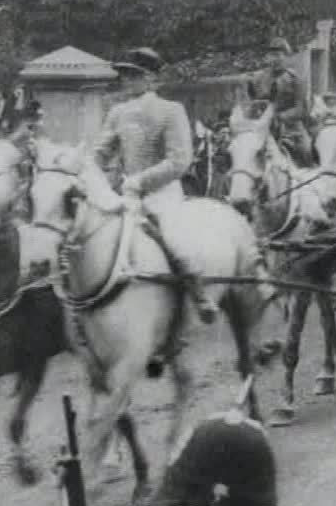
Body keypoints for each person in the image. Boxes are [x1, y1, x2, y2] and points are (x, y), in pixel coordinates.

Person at [91, 47, 219, 323]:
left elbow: (179, 160)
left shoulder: (171, 111)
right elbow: (102, 152)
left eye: (133, 75)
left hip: (162, 192)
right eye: (124, 75)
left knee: (174, 240)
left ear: (151, 79)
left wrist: (141, 180)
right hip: (126, 193)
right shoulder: (117, 113)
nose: (126, 80)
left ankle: (197, 295)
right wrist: (85, 168)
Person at [161, 405, 277, 506]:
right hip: (252, 440)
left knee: (186, 502)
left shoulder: (195, 438)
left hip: (204, 441)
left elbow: (176, 500)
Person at [247, 37, 312, 167]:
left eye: (279, 55)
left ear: (287, 58)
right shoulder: (258, 79)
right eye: (271, 55)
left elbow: (302, 109)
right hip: (263, 128)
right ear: (267, 57)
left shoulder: (296, 80)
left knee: (307, 151)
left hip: (291, 129)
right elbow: (253, 104)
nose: (275, 59)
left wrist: (280, 117)